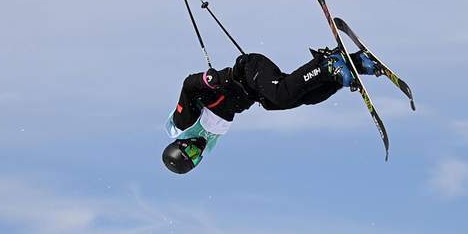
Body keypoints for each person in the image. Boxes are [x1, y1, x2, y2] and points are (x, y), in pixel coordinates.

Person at [162, 47, 380, 174]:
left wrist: (209, 80)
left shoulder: (184, 124)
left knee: (281, 94)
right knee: (302, 98)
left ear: (181, 144)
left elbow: (189, 86)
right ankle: (354, 64)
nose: (198, 152)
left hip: (246, 72)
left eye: (191, 152)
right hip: (254, 92)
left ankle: (325, 64)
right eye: (196, 159)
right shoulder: (204, 148)